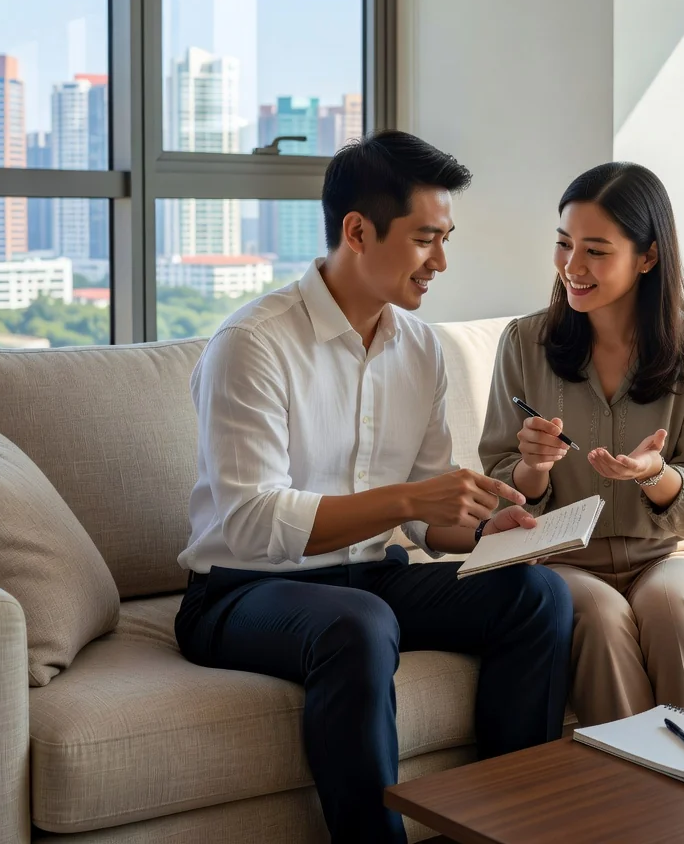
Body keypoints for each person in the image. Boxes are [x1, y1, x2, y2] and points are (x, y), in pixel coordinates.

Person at [174, 130, 573, 844]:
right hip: (242, 588)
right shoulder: (253, 344)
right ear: (358, 231)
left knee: (536, 595)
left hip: (369, 580)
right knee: (358, 626)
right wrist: (411, 502)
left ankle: (509, 829)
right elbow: (252, 522)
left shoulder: (421, 349)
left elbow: (430, 525)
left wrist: (481, 528)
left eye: (446, 239)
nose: (441, 263)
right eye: (426, 239)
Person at [479, 162, 684, 727]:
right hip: (562, 560)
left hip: (670, 554)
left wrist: (652, 473)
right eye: (564, 245)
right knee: (598, 617)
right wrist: (533, 468)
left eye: (596, 250)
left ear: (648, 256)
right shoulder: (524, 343)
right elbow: (499, 486)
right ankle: (632, 803)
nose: (572, 267)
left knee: (672, 611)